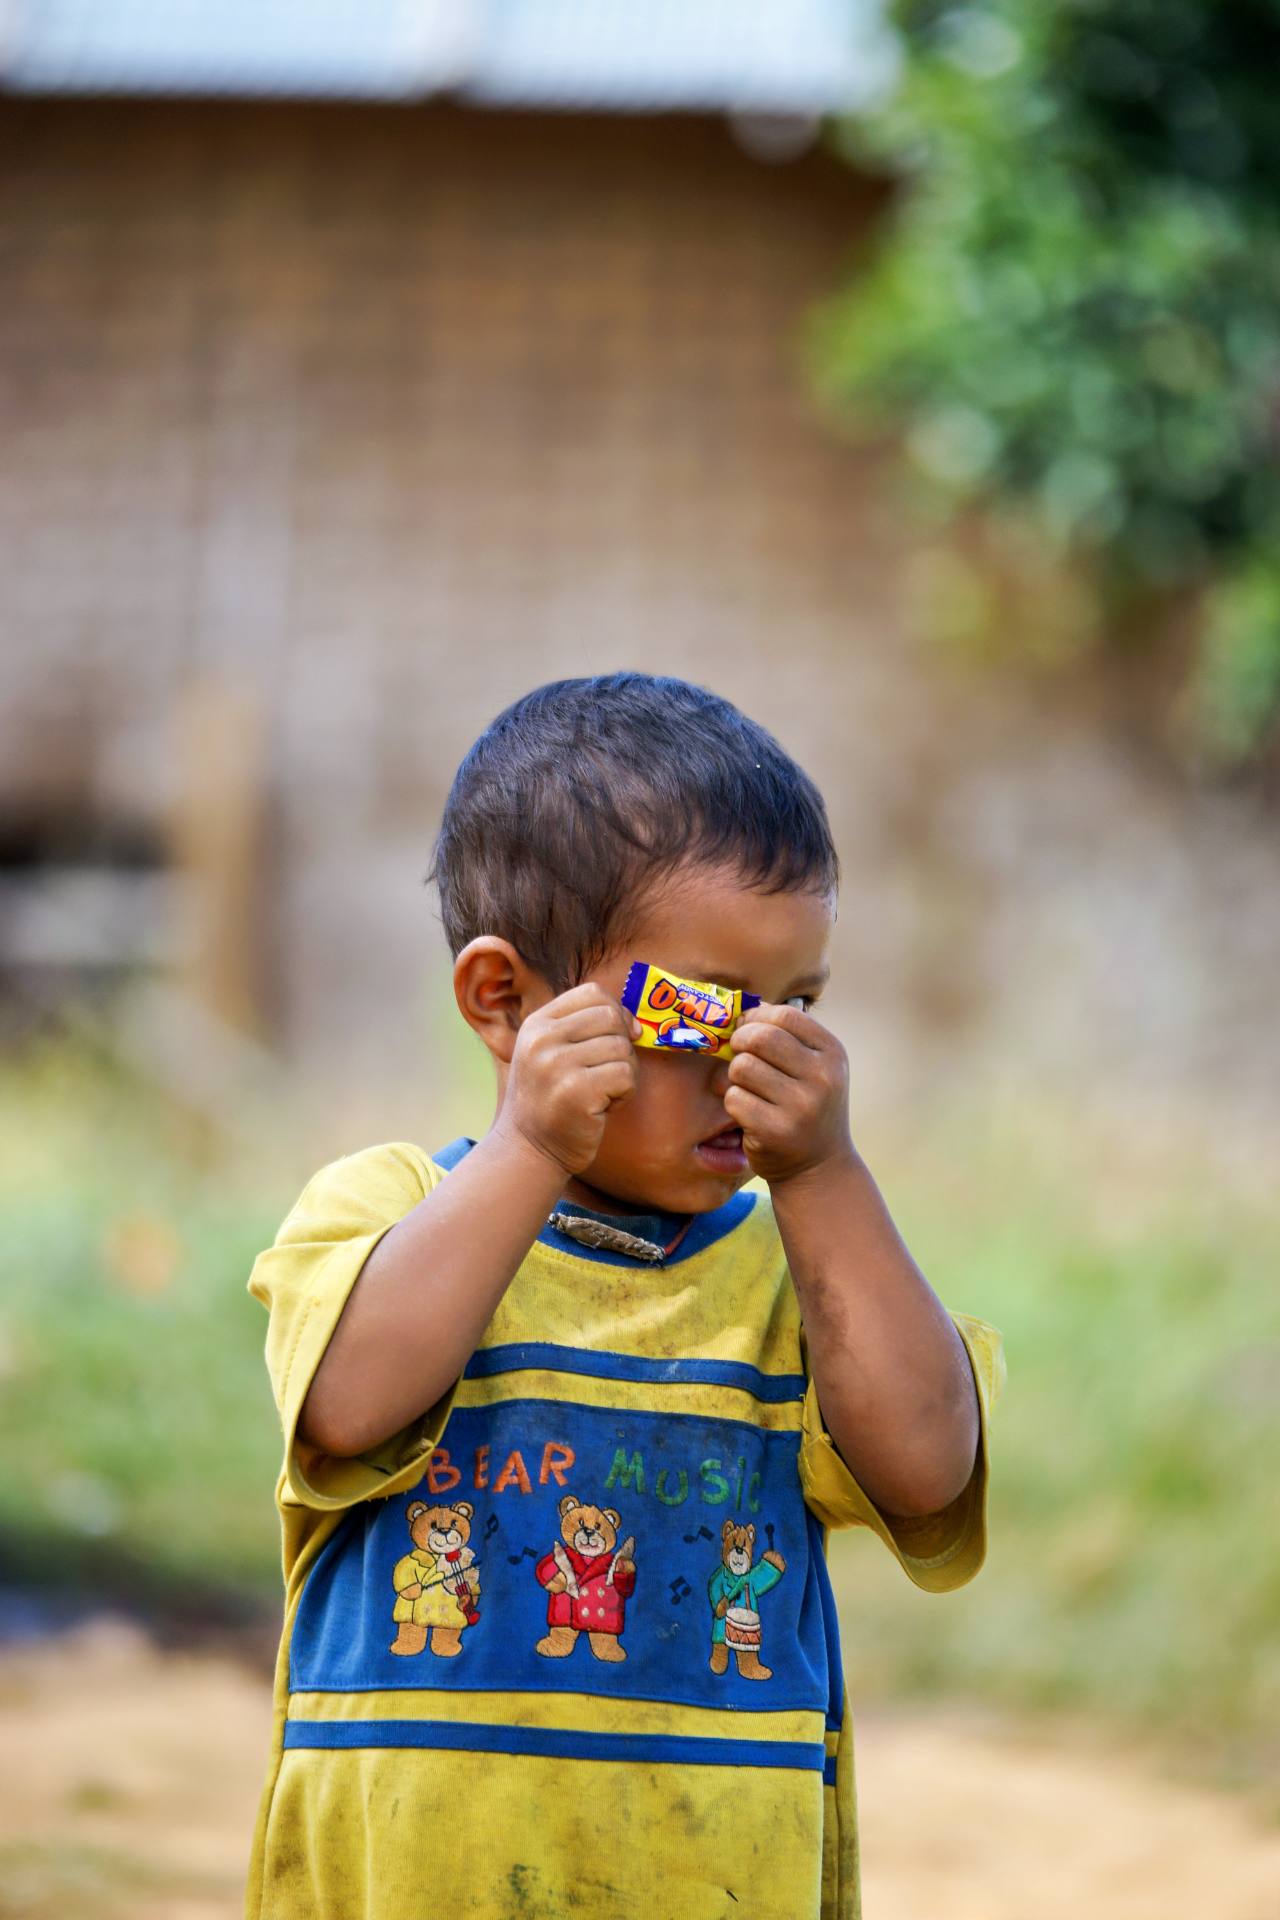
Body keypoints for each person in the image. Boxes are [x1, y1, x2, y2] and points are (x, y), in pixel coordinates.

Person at [244, 672, 1006, 1920]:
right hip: (415, 1884)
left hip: (715, 1879)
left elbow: (926, 1469)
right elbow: (344, 1401)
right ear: (507, 1001)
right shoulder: (378, 1209)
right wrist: (531, 1149)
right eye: (701, 1012)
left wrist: (826, 1174)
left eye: (798, 1010)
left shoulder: (794, 1269)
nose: (756, 1062)